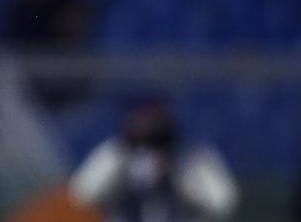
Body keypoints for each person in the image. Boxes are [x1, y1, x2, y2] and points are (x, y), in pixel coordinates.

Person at [69, 95, 238, 222]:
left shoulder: (193, 155)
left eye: (154, 116)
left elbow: (223, 202)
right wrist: (121, 159)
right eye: (142, 116)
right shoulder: (115, 153)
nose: (147, 123)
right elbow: (82, 195)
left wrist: (179, 175)